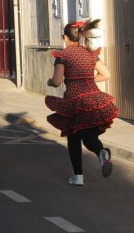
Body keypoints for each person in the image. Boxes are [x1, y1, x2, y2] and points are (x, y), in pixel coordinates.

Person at [45, 19, 119, 187]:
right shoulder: (90, 53)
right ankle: (101, 153)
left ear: (65, 37)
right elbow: (106, 74)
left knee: (73, 137)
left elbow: (57, 81)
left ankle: (78, 177)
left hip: (74, 100)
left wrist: (50, 82)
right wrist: (88, 79)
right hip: (94, 98)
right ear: (79, 36)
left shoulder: (63, 56)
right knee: (90, 135)